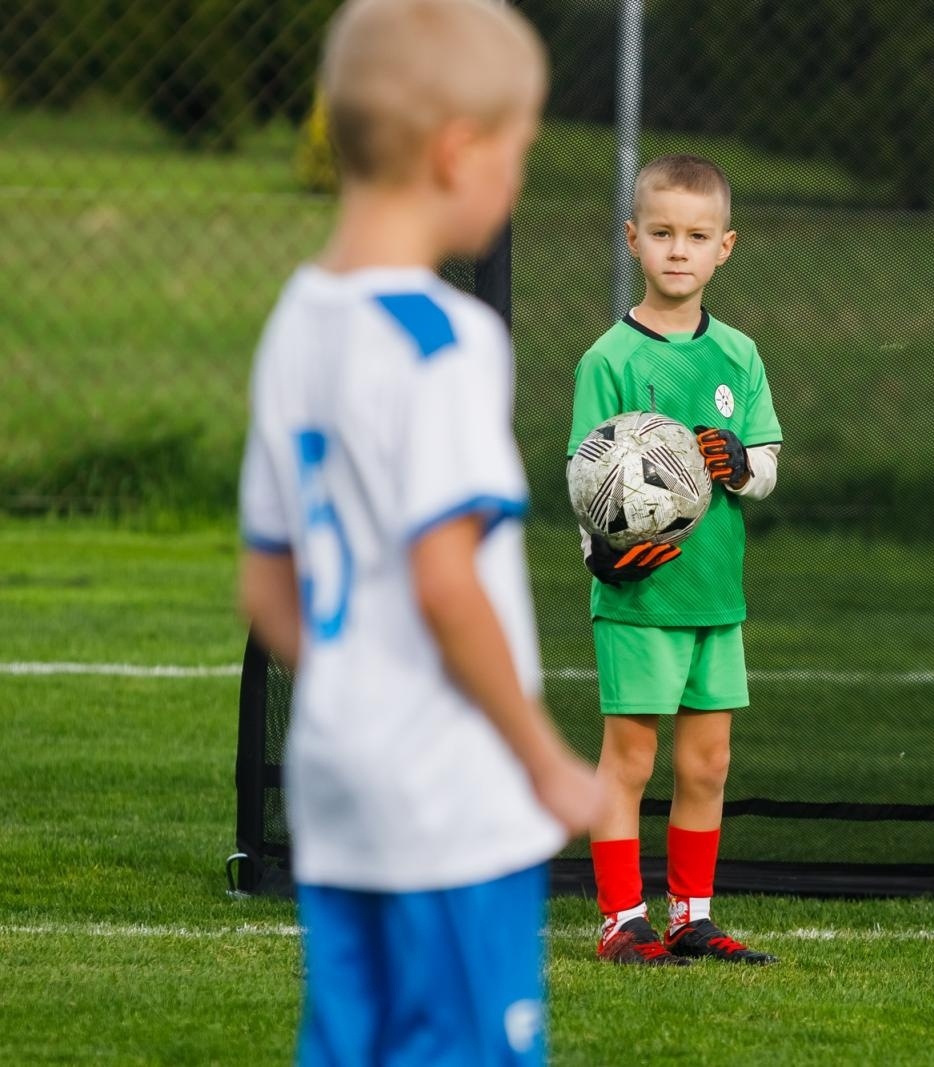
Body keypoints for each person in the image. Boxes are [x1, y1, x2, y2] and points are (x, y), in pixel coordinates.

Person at [237, 1, 598, 1061]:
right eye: (521, 152)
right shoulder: (445, 338)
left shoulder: (298, 317)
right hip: (451, 797)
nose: (519, 180)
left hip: (337, 785)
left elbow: (266, 592)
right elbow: (447, 582)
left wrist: (358, 686)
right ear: (458, 151)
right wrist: (540, 759)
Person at [568, 154, 782, 966]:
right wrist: (603, 559)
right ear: (633, 240)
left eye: (696, 236)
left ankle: (691, 913)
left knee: (709, 760)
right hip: (640, 597)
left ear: (725, 247)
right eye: (662, 234)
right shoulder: (608, 361)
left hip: (715, 596)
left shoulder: (739, 355)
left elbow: (766, 466)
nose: (678, 250)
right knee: (631, 757)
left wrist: (740, 459)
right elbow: (585, 479)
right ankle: (621, 920)